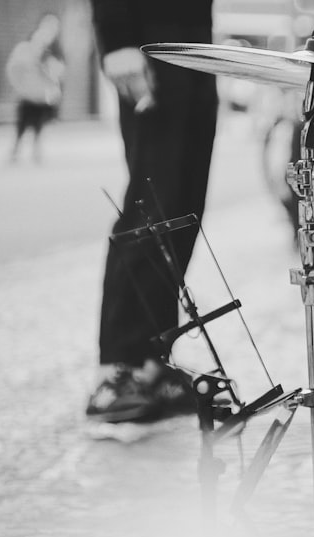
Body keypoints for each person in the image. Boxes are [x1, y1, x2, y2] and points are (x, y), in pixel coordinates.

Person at [85, 0, 219, 423]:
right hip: (148, 36)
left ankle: (153, 362)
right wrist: (117, 36)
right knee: (152, 205)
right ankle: (119, 369)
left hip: (196, 40)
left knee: (184, 207)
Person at [6, 13, 65, 164]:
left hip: (41, 94)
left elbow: (58, 73)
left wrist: (50, 71)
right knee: (22, 121)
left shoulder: (53, 52)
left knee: (38, 122)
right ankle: (16, 148)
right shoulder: (28, 47)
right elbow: (16, 66)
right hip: (27, 93)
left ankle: (36, 148)